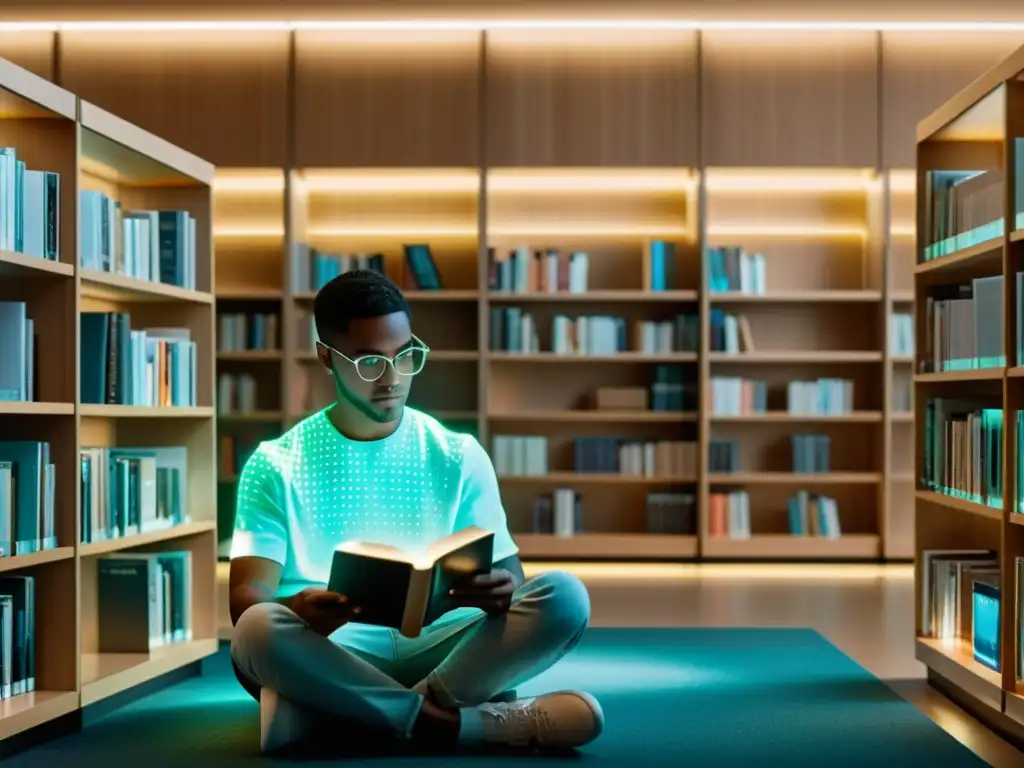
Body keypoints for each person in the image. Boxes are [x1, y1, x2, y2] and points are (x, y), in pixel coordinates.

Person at [228, 269, 604, 755]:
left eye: (405, 356)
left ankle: (346, 714)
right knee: (258, 631)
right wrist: (298, 609)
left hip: (442, 645)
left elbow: (514, 577)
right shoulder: (275, 463)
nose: (392, 378)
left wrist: (500, 589)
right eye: (369, 363)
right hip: (335, 648)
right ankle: (468, 723)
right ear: (326, 357)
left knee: (566, 598)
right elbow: (246, 600)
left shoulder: (457, 452)